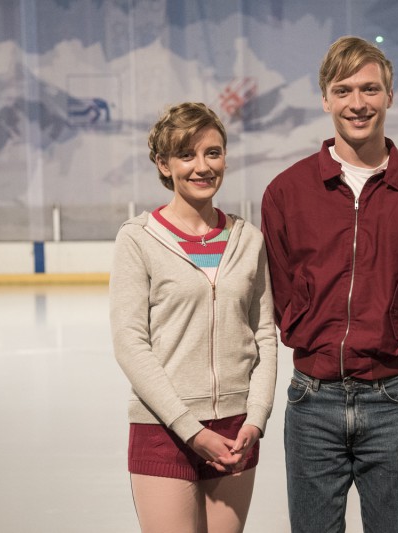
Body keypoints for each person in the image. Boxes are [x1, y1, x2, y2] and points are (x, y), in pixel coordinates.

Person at [261, 36, 398, 533]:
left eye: (370, 89)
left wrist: (392, 345)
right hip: (312, 401)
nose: (358, 103)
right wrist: (309, 338)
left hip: (392, 400)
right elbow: (281, 287)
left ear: (390, 96)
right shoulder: (287, 192)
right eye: (343, 90)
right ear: (325, 99)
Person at [109, 102, 277, 533]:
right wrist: (189, 428)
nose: (202, 167)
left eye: (213, 153)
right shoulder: (139, 239)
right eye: (187, 155)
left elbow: (264, 336)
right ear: (164, 164)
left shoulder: (248, 239)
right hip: (164, 428)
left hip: (235, 431)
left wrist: (256, 416)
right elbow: (131, 344)